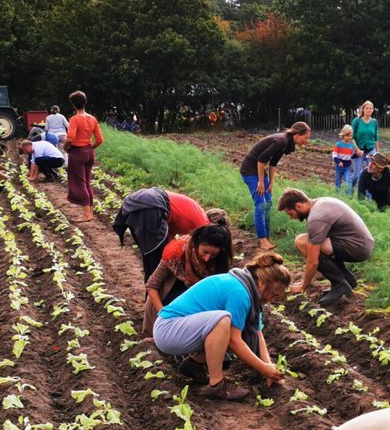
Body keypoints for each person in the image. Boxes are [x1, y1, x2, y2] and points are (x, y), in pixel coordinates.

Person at [151, 250, 291, 400]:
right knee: (223, 320)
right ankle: (216, 384)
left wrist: (271, 371)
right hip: (168, 330)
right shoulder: (240, 292)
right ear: (262, 283)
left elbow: (258, 334)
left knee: (231, 326)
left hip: (180, 330)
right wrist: (263, 369)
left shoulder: (249, 290)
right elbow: (234, 340)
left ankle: (194, 365)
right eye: (274, 294)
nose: (272, 300)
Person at [279, 188, 376, 306]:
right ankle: (348, 280)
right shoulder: (321, 203)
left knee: (302, 242)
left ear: (298, 206)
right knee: (311, 243)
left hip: (358, 248)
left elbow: (313, 261)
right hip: (360, 244)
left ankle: (340, 284)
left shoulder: (316, 218)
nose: (291, 218)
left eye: (290, 213)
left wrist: (304, 286)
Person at [142, 222, 233, 335]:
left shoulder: (220, 262)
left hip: (201, 304)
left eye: (213, 255)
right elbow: (152, 285)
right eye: (205, 252)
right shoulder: (176, 253)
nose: (207, 259)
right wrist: (163, 313)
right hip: (172, 301)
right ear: (197, 242)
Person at [112, 188, 214, 278]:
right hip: (152, 205)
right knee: (158, 263)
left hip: (135, 200)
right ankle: (155, 296)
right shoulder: (204, 226)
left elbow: (168, 241)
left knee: (150, 258)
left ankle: (150, 295)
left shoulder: (193, 214)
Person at [240, 122, 312, 250]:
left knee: (268, 203)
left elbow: (273, 163)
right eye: (305, 137)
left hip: (260, 171)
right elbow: (261, 160)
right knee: (261, 204)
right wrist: (261, 182)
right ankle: (262, 240)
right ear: (297, 134)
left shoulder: (286, 144)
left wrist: (271, 182)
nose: (307, 141)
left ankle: (266, 237)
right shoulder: (281, 141)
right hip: (250, 170)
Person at [64, 91, 103, 223]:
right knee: (87, 182)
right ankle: (90, 212)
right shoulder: (92, 119)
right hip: (89, 152)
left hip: (77, 152)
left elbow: (70, 138)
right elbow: (99, 140)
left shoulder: (75, 119)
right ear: (85, 102)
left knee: (79, 182)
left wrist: (65, 148)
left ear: (73, 105)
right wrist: (90, 148)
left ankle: (86, 214)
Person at [350, 100, 380, 191]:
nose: (369, 110)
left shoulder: (374, 122)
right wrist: (357, 150)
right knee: (356, 174)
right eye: (367, 108)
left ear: (373, 110)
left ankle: (370, 195)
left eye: (371, 108)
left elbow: (376, 138)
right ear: (363, 109)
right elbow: (352, 137)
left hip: (371, 150)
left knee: (372, 173)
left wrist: (377, 152)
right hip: (359, 150)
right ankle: (350, 191)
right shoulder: (357, 121)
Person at [333, 125, 362, 193]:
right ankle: (337, 195)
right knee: (338, 182)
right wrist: (338, 162)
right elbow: (334, 154)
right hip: (339, 166)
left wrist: (358, 155)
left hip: (347, 167)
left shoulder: (351, 145)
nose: (349, 137)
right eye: (347, 135)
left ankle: (347, 196)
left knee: (348, 181)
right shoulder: (338, 144)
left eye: (350, 136)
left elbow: (351, 156)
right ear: (343, 135)